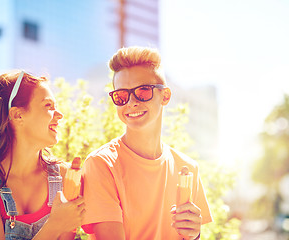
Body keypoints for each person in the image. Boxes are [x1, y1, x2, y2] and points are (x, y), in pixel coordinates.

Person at [82, 47, 212, 240]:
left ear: (165, 96)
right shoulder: (101, 165)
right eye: (121, 95)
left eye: (143, 91)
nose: (131, 102)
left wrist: (194, 236)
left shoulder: (188, 168)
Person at [0, 71, 85, 240]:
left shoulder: (65, 177)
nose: (59, 115)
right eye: (48, 106)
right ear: (17, 115)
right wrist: (55, 226)